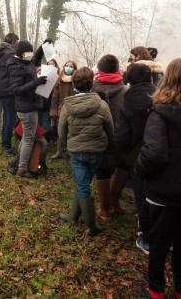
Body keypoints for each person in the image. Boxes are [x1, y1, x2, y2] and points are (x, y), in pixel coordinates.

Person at [136, 58, 181, 299]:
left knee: (159, 242)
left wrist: (140, 170)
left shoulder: (160, 112)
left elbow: (153, 153)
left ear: (168, 78)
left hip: (162, 192)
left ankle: (155, 289)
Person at [58, 67, 114, 236]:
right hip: (96, 150)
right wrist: (110, 145)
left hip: (77, 151)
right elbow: (110, 128)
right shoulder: (102, 105)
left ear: (74, 83)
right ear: (92, 83)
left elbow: (61, 131)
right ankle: (73, 216)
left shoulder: (67, 106)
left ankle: (91, 226)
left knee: (82, 185)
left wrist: (68, 144)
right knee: (83, 183)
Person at [115, 63, 155, 255]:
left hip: (137, 155)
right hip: (160, 153)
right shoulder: (161, 97)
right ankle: (163, 234)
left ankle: (145, 237)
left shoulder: (128, 102)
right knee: (158, 196)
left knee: (141, 196)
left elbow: (122, 135)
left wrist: (122, 153)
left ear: (129, 79)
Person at [92, 54, 127, 220]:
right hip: (120, 136)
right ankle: (114, 201)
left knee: (103, 172)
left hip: (97, 135)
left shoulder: (91, 89)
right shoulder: (126, 91)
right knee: (120, 167)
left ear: (99, 69)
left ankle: (105, 209)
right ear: (117, 69)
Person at [7, 40, 46, 178]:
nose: (31, 55)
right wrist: (36, 82)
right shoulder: (15, 67)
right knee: (29, 138)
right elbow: (17, 90)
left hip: (30, 105)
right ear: (21, 53)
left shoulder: (25, 62)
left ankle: (17, 163)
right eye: (28, 52)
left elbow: (34, 60)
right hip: (26, 108)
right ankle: (22, 169)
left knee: (26, 137)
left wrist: (42, 47)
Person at [0, 33, 19, 154]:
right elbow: (13, 72)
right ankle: (7, 146)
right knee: (10, 118)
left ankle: (5, 144)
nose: (17, 45)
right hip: (9, 90)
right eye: (17, 42)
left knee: (6, 117)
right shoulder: (9, 54)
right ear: (13, 42)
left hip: (2, 90)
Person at [49, 60, 77, 159]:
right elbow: (54, 97)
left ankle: (70, 151)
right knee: (60, 131)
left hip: (72, 109)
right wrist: (53, 110)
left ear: (74, 69)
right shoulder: (59, 79)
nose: (68, 68)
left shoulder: (76, 80)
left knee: (71, 132)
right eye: (66, 66)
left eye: (71, 66)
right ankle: (59, 151)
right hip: (61, 109)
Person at [38, 59, 60, 133]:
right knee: (39, 123)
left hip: (48, 104)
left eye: (52, 64)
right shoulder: (42, 75)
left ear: (55, 65)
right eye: (49, 64)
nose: (51, 65)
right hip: (39, 103)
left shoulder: (58, 77)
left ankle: (46, 140)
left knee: (45, 123)